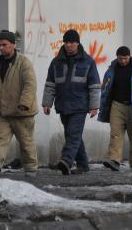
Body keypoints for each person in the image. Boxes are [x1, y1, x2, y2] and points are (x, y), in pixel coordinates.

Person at [0, 30, 39, 177]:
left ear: (13, 45)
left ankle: (31, 168)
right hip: (2, 111)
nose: (1, 48)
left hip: (22, 112)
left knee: (26, 142)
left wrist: (24, 103)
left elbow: (30, 84)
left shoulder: (24, 63)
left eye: (4, 44)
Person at [42, 29, 101, 175]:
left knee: (73, 134)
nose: (69, 45)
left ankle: (66, 161)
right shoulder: (56, 62)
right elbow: (50, 84)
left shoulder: (88, 62)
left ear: (77, 43)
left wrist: (94, 106)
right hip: (63, 105)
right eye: (67, 42)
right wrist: (47, 103)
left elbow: (94, 86)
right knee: (72, 135)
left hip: (80, 106)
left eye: (72, 42)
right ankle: (83, 164)